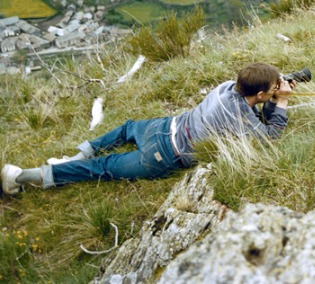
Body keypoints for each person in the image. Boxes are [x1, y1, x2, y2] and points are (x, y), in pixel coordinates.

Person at [2, 62, 295, 195]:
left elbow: (252, 112)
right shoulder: (238, 114)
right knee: (101, 169)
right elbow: (268, 137)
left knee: (127, 129)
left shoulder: (227, 87)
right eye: (270, 90)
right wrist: (280, 102)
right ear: (258, 95)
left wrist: (271, 94)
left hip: (162, 126)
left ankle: (78, 154)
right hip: (163, 155)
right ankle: (20, 177)